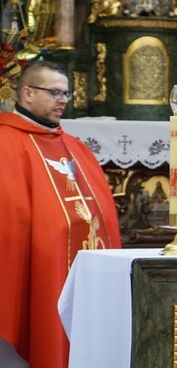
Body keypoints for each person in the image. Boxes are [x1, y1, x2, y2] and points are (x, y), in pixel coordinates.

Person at [0, 60, 121, 367]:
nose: (63, 100)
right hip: (40, 272)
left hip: (81, 268)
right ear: (27, 94)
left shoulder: (76, 148)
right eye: (54, 92)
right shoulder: (6, 142)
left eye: (66, 93)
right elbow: (11, 217)